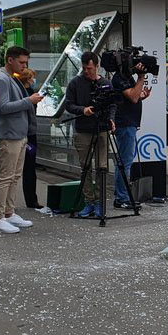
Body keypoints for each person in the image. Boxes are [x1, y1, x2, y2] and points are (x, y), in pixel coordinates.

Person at [0, 47, 43, 233]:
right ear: (10, 60)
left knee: (14, 177)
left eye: (26, 62)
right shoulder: (2, 79)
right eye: (22, 62)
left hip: (19, 135)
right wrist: (29, 101)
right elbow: (3, 107)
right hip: (8, 135)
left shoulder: (11, 77)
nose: (24, 66)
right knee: (5, 177)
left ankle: (9, 213)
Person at [63, 51, 116, 218]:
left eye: (90, 68)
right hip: (83, 130)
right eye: (84, 68)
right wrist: (82, 110)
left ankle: (100, 202)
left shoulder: (106, 83)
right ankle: (89, 201)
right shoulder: (75, 83)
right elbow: (69, 105)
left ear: (96, 66)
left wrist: (112, 119)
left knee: (102, 166)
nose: (86, 71)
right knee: (85, 167)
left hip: (101, 129)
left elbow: (113, 104)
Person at [111, 63, 151, 210]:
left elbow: (133, 97)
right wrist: (141, 78)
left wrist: (141, 96)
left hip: (128, 124)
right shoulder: (120, 78)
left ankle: (122, 196)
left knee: (124, 162)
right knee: (124, 163)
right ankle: (122, 198)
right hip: (125, 125)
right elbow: (133, 97)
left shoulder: (126, 78)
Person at [16, 68, 43, 209]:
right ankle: (30, 199)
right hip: (25, 132)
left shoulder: (31, 92)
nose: (34, 80)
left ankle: (31, 199)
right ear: (27, 78)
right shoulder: (25, 93)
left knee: (29, 166)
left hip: (30, 133)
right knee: (26, 166)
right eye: (32, 78)